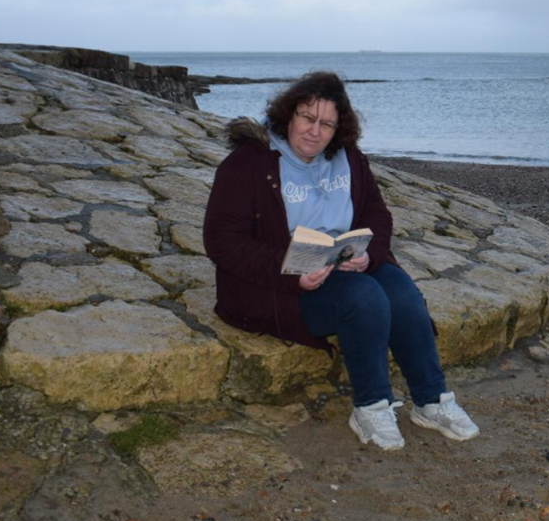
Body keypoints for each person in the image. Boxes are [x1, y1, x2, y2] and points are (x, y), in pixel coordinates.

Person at [202, 70, 479, 450]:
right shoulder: (247, 164)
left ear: (339, 128)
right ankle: (371, 406)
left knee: (402, 293)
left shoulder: (350, 159)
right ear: (288, 114)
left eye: (327, 124)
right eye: (307, 118)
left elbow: (377, 215)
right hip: (276, 283)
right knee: (364, 298)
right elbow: (222, 242)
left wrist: (369, 254)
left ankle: (431, 400)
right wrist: (291, 275)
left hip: (344, 263)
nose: (315, 132)